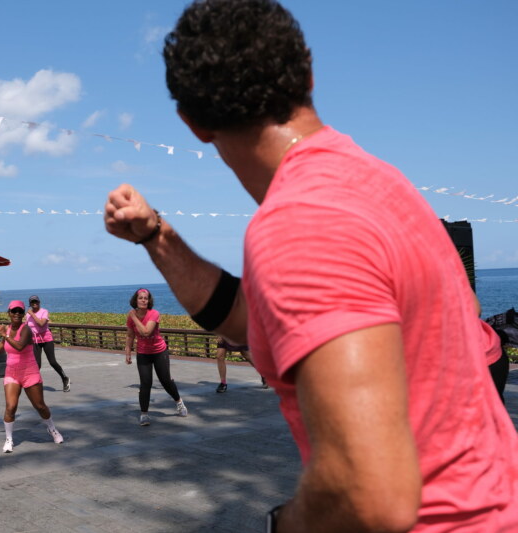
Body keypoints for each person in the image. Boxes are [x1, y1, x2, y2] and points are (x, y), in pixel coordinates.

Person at [103, 1, 518, 530]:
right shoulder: (378, 181)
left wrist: (287, 522)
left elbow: (369, 496)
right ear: (308, 71)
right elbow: (250, 321)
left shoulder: (302, 225)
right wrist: (157, 238)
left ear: (194, 124)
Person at [0, 300, 63, 453]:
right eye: (14, 311)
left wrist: (5, 334)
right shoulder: (8, 329)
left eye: (20, 311)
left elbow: (19, 346)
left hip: (30, 372)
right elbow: (2, 344)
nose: (17, 313)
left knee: (40, 406)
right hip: (12, 373)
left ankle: (52, 429)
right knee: (10, 407)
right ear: (9, 313)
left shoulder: (26, 329)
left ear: (23, 314)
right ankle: (9, 439)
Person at [124, 288, 187, 426]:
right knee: (146, 383)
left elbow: (146, 332)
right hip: (143, 353)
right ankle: (144, 414)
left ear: (149, 301)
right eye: (140, 298)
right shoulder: (131, 316)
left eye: (145, 298)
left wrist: (134, 317)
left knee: (166, 381)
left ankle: (179, 402)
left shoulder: (154, 314)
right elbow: (130, 335)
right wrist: (128, 352)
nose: (143, 300)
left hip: (159, 352)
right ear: (136, 300)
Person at [26, 295, 71, 392]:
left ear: (39, 302)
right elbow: (27, 327)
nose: (34, 304)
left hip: (46, 339)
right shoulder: (27, 315)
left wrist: (32, 315)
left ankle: (64, 378)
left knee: (52, 362)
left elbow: (41, 324)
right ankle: (36, 383)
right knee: (37, 364)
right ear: (29, 304)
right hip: (35, 340)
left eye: (36, 302)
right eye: (32, 302)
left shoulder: (44, 312)